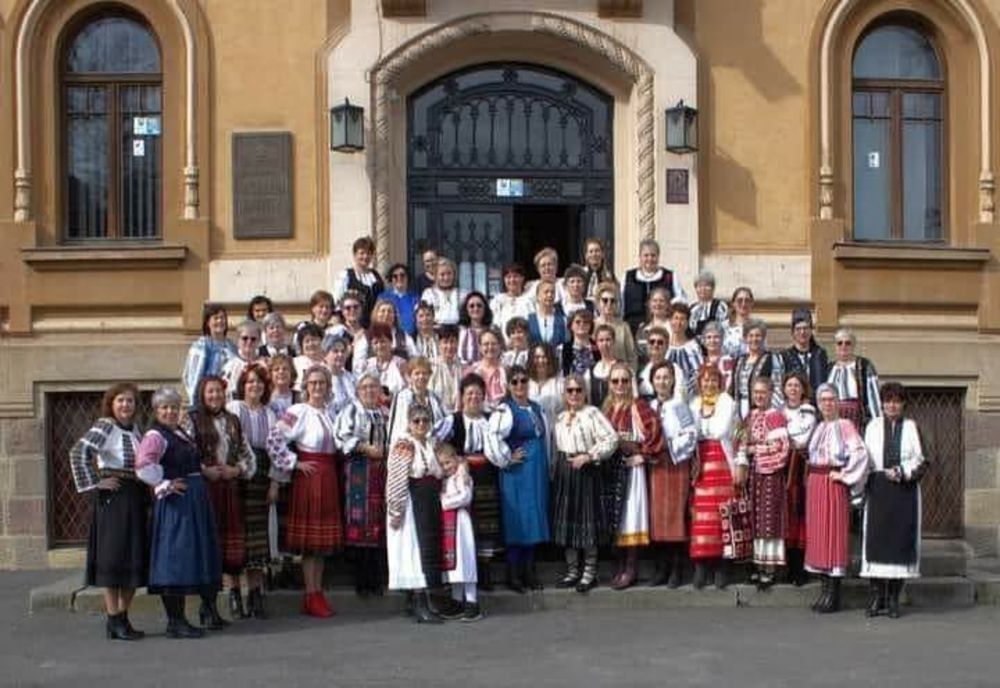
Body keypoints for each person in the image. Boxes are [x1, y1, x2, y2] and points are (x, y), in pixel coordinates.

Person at [136, 387, 222, 639]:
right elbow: (142, 466)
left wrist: (204, 472)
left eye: (174, 407)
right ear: (156, 410)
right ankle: (176, 621)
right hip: (177, 503)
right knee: (175, 557)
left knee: (195, 553)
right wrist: (164, 484)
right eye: (165, 407)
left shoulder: (179, 432)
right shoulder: (155, 435)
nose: (170, 411)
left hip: (194, 499)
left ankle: (202, 614)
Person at [69, 382, 148, 641]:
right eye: (121, 400)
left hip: (134, 496)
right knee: (113, 559)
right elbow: (79, 451)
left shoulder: (136, 430)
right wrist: (95, 482)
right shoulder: (105, 426)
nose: (126, 405)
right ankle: (113, 618)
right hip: (113, 498)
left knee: (133, 558)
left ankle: (122, 618)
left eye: (131, 401)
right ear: (111, 404)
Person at [267, 365, 344, 618]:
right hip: (310, 477)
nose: (318, 387)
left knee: (321, 544)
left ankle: (316, 592)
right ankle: (311, 594)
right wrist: (293, 462)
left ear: (329, 387)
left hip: (328, 475)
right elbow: (274, 438)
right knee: (311, 545)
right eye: (313, 383)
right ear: (305, 387)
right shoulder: (298, 411)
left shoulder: (333, 412)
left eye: (322, 383)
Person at [185, 376, 256, 621]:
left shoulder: (232, 421)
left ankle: (223, 601)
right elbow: (184, 453)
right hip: (205, 491)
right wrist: (205, 470)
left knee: (228, 548)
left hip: (228, 489)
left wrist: (235, 470)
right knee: (208, 546)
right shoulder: (192, 421)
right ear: (202, 395)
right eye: (210, 392)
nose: (215, 396)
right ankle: (208, 605)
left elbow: (248, 455)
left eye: (219, 391)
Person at [861, 382, 927, 619]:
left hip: (904, 492)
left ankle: (893, 600)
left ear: (903, 404)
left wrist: (902, 472)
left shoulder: (911, 427)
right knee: (876, 542)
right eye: (888, 400)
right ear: (882, 403)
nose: (892, 405)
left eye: (896, 401)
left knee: (899, 544)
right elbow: (863, 458)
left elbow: (922, 461)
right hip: (878, 490)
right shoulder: (872, 426)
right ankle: (877, 598)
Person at [441, 374, 510, 592]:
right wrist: (455, 462)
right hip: (463, 476)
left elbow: (502, 445)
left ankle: (485, 572)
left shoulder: (491, 419)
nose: (474, 397)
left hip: (488, 476)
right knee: (467, 524)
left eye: (478, 393)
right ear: (461, 396)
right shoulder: (453, 420)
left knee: (487, 524)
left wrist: (509, 457)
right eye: (469, 393)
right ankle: (469, 572)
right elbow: (440, 443)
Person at [551, 374, 619, 593]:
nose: (574, 394)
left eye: (578, 390)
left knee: (587, 522)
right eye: (570, 391)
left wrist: (589, 456)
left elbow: (611, 439)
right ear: (564, 394)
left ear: (585, 392)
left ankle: (589, 572)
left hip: (587, 471)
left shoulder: (593, 414)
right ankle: (572, 571)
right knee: (568, 522)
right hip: (565, 471)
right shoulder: (560, 417)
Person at [806, 383, 870, 614]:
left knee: (833, 534)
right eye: (823, 400)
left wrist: (844, 475)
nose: (827, 404)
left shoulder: (845, 426)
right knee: (820, 536)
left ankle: (834, 595)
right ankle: (824, 592)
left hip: (833, 483)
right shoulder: (819, 427)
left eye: (831, 399)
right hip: (816, 484)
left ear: (837, 402)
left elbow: (860, 453)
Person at [603, 363, 663, 590]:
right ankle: (618, 564)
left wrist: (643, 456)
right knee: (614, 516)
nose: (620, 385)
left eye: (624, 380)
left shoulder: (639, 406)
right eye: (615, 381)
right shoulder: (607, 407)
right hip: (611, 467)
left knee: (630, 514)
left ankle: (631, 567)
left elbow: (656, 433)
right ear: (609, 384)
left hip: (631, 467)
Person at [490, 366, 550, 592]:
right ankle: (513, 575)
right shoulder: (505, 410)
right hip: (517, 473)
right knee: (517, 522)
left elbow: (547, 437)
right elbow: (493, 436)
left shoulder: (537, 407)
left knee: (533, 520)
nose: (519, 386)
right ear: (508, 385)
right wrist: (506, 457)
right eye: (514, 382)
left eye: (523, 381)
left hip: (536, 473)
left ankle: (529, 572)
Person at [386, 404, 447, 623]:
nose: (421, 424)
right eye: (416, 421)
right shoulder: (404, 444)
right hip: (411, 503)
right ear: (409, 424)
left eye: (425, 420)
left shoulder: (431, 443)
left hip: (428, 500)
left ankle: (420, 600)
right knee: (413, 550)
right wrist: (395, 509)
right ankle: (419, 602)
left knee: (426, 548)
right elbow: (396, 478)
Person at [226, 365, 278, 618]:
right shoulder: (234, 409)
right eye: (249, 383)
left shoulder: (270, 413)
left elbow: (277, 450)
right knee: (236, 534)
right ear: (242, 386)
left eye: (258, 382)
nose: (254, 386)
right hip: (238, 475)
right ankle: (234, 592)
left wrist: (275, 482)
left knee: (258, 537)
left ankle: (255, 594)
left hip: (261, 476)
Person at [689, 364, 744, 590]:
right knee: (701, 519)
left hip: (722, 462)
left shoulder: (729, 404)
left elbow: (741, 436)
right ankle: (702, 565)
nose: (709, 384)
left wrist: (741, 464)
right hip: (701, 464)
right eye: (705, 380)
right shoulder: (692, 405)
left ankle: (723, 565)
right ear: (700, 383)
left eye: (713, 380)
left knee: (723, 517)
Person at [335, 373, 389, 597]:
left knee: (378, 521)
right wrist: (365, 448)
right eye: (365, 387)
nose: (369, 391)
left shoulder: (386, 413)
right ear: (358, 391)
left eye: (373, 387)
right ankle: (362, 580)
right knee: (359, 521)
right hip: (359, 469)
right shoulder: (351, 410)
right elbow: (341, 435)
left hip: (381, 470)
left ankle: (376, 579)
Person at [648, 362, 697, 587]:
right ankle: (660, 568)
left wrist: (668, 446)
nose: (662, 381)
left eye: (666, 377)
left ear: (672, 381)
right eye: (658, 377)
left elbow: (690, 434)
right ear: (652, 381)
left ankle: (677, 570)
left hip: (675, 464)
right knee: (657, 517)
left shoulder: (680, 406)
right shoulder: (648, 407)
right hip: (655, 466)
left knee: (675, 515)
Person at [740, 376, 791, 589]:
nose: (759, 396)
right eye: (756, 392)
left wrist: (755, 449)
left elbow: (782, 447)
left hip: (770, 473)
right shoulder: (750, 416)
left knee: (769, 519)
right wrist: (742, 451)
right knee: (756, 518)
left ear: (771, 394)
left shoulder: (776, 417)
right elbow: (739, 439)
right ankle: (758, 564)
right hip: (754, 473)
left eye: (763, 392)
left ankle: (770, 568)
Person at [438, 444, 482, 621]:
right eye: (442, 464)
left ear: (456, 459)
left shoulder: (462, 477)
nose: (445, 467)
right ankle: (457, 602)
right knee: (454, 565)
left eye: (448, 462)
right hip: (449, 524)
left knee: (466, 562)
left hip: (461, 523)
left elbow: (465, 497)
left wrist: (444, 502)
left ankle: (472, 602)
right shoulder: (446, 479)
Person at [781, 371, 817, 586]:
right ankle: (787, 566)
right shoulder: (779, 410)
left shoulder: (808, 412)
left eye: (797, 385)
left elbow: (800, 439)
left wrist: (783, 436)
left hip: (800, 468)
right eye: (789, 385)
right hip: (782, 465)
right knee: (785, 514)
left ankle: (800, 568)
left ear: (803, 389)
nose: (793, 389)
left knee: (800, 514)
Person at [621, 238, 687, 333]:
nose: (649, 259)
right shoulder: (628, 277)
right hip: (633, 329)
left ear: (658, 256)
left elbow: (680, 301)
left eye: (653, 255)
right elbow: (621, 304)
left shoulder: (670, 276)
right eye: (646, 255)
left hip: (663, 330)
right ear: (640, 257)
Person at [827, 327, 882, 431]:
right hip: (833, 419)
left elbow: (874, 397)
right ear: (835, 346)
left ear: (853, 345)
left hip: (858, 420)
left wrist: (877, 424)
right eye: (840, 343)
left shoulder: (864, 366)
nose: (843, 346)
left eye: (848, 343)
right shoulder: (829, 368)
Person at [182, 304, 237, 407]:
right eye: (216, 318)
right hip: (209, 401)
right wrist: (196, 404)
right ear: (207, 322)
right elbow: (194, 379)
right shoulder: (201, 346)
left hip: (228, 401)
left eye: (222, 318)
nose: (220, 321)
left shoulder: (232, 346)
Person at [730, 319, 784, 420]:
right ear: (745, 338)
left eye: (758, 336)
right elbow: (733, 388)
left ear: (763, 338)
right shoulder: (739, 360)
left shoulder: (771, 358)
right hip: (739, 408)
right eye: (750, 336)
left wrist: (771, 412)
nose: (754, 339)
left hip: (763, 409)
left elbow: (777, 387)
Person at [387, 356, 448, 443]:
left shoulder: (435, 398)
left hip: (432, 445)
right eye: (417, 373)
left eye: (425, 373)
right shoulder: (402, 397)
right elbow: (399, 429)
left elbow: (442, 425)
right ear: (410, 376)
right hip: (407, 446)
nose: (421, 377)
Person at [333, 236, 384, 327]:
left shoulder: (376, 276)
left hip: (373, 327)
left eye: (369, 253)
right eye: (362, 253)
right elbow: (337, 306)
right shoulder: (346, 276)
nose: (365, 256)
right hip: (351, 326)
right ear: (355, 254)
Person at [781, 309, 829, 401]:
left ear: (811, 331)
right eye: (798, 329)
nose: (802, 332)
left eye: (806, 328)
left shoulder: (820, 354)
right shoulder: (785, 355)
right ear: (792, 332)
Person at [528, 343, 563, 461]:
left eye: (544, 357)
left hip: (554, 436)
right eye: (537, 357)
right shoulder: (525, 382)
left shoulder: (559, 383)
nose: (541, 361)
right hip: (531, 437)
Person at [353, 299, 417, 364]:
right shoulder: (366, 336)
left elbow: (414, 359)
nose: (386, 314)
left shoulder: (404, 336)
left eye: (389, 311)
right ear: (376, 314)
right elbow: (358, 363)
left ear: (394, 316)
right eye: (382, 311)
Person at [356, 324, 408, 400]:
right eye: (375, 343)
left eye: (383, 341)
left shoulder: (401, 364)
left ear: (391, 342)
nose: (379, 346)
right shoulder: (367, 365)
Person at [593, 281, 638, 369]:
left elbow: (632, 357)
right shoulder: (592, 326)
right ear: (598, 303)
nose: (609, 304)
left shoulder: (624, 327)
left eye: (612, 301)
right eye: (605, 300)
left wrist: (631, 375)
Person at [666, 303, 704, 400]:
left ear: (687, 322)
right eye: (676, 318)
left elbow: (698, 372)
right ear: (670, 320)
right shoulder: (664, 345)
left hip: (689, 396)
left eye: (682, 319)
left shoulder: (693, 347)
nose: (678, 322)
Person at [560, 309, 597, 403]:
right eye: (577, 322)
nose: (582, 325)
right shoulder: (562, 349)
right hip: (572, 395)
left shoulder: (598, 347)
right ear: (571, 325)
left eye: (586, 322)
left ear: (590, 326)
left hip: (594, 395)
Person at [221, 320, 262, 401]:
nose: (249, 342)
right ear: (238, 340)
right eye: (245, 338)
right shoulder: (230, 366)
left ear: (259, 341)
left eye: (253, 339)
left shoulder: (264, 365)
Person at [466, 328, 508, 409]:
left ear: (500, 346)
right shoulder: (471, 371)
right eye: (486, 344)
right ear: (480, 347)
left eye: (494, 344)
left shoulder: (507, 371)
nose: (490, 347)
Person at [491, 263, 533, 340]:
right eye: (508, 277)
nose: (512, 280)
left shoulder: (530, 299)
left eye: (515, 276)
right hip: (503, 347)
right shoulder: (498, 300)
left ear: (522, 278)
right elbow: (494, 326)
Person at [429, 325, 463, 414]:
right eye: (445, 342)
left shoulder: (463, 367)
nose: (449, 346)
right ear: (439, 344)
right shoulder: (431, 366)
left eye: (452, 342)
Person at [635, 287, 672, 365]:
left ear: (667, 305)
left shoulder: (673, 328)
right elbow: (639, 353)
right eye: (654, 301)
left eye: (661, 301)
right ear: (649, 304)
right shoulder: (642, 329)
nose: (658, 304)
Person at [421, 257, 462, 326]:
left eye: (449, 274)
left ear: (454, 274)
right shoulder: (428, 294)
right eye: (442, 274)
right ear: (436, 276)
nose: (446, 278)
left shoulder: (462, 294)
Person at [688, 270, 729, 339]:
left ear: (713, 288)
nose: (703, 289)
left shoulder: (720, 306)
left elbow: (724, 329)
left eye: (707, 286)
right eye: (699, 286)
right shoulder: (692, 307)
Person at [527, 279, 567, 347]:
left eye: (552, 292)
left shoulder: (563, 319)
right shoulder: (529, 320)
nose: (549, 295)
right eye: (546, 292)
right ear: (538, 296)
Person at [383, 263, 419, 336]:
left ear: (407, 277)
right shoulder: (383, 297)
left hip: (411, 336)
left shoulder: (415, 298)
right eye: (395, 276)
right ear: (391, 279)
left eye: (402, 275)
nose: (399, 278)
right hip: (389, 336)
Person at [458, 291, 493, 364]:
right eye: (471, 306)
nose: (476, 309)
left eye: (479, 305)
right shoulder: (460, 332)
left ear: (485, 309)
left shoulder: (493, 331)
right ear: (466, 309)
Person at [591, 324, 620, 406]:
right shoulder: (590, 370)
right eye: (601, 340)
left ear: (613, 341)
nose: (605, 343)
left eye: (608, 340)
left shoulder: (624, 367)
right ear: (596, 343)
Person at [702, 321, 735, 392]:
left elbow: (729, 385)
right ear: (704, 341)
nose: (712, 340)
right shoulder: (700, 361)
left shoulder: (728, 361)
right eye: (708, 337)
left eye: (716, 337)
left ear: (722, 339)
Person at [293, 324, 326, 393]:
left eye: (314, 340)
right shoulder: (294, 363)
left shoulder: (328, 363)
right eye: (307, 341)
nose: (311, 344)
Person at [582, 237, 617, 303]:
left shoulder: (609, 276)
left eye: (597, 251)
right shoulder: (581, 274)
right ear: (586, 256)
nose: (594, 254)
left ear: (602, 254)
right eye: (591, 251)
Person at [723, 287, 754, 357]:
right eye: (740, 300)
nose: (743, 304)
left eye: (747, 301)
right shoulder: (723, 327)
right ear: (733, 304)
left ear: (751, 303)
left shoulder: (757, 326)